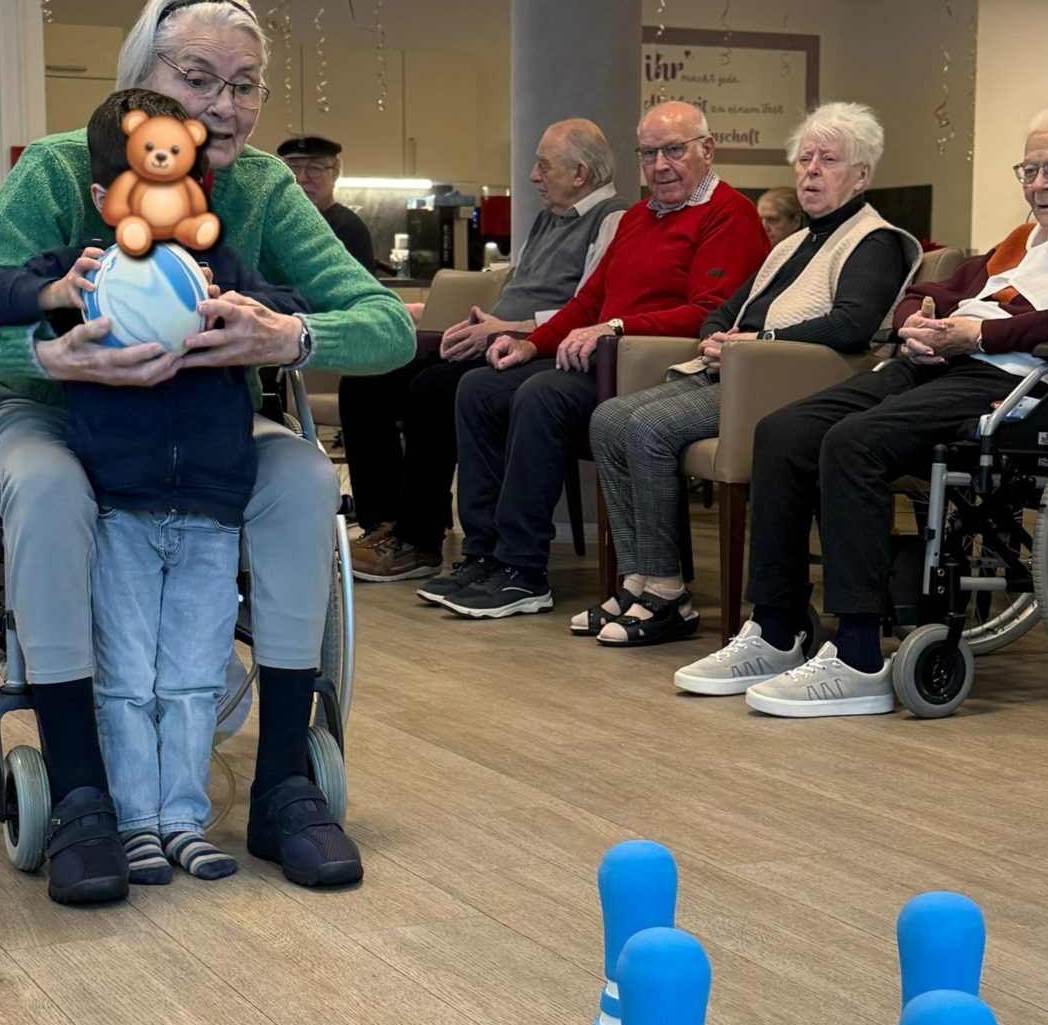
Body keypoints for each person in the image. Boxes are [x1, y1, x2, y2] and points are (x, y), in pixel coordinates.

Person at [0, 0, 414, 906]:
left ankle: (283, 783)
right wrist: (51, 352)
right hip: (59, 407)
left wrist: (288, 336)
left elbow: (386, 324)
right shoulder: (61, 169)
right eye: (198, 79)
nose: (224, 107)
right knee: (48, 487)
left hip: (203, 419)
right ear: (140, 79)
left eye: (245, 85)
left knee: (306, 481)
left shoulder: (262, 188)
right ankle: (80, 791)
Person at [678, 100, 1048, 715]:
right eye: (1030, 171)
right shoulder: (1025, 240)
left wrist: (978, 335)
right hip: (944, 361)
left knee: (853, 443)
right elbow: (932, 289)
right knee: (782, 431)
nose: (1038, 186)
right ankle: (776, 629)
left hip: (1022, 381)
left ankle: (858, 657)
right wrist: (918, 319)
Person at [0, 88, 307, 887]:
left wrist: (245, 311)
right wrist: (51, 294)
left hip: (212, 508)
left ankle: (182, 821)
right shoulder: (84, 271)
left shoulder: (219, 270)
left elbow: (294, 303)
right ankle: (134, 823)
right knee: (124, 680)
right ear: (103, 196)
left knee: (193, 676)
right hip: (119, 506)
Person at [582, 103, 920, 649]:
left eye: (828, 160)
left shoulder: (873, 241)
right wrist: (718, 336)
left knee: (646, 428)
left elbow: (852, 325)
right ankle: (637, 578)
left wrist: (756, 343)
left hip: (787, 386)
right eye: (804, 159)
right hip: (737, 372)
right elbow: (724, 308)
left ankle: (667, 594)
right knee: (608, 420)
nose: (811, 171)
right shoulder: (793, 243)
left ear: (861, 174)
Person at [422, 101, 770, 620]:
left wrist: (617, 327)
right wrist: (532, 343)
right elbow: (589, 301)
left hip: (654, 366)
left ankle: (522, 569)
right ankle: (483, 553)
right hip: (603, 355)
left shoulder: (729, 215)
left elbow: (708, 312)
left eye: (674, 151)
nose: (660, 166)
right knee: (479, 386)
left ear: (707, 150)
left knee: (540, 395)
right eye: (648, 154)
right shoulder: (639, 217)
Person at [341, 117, 621, 582]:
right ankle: (384, 525)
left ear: (580, 173)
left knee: (433, 389)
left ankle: (419, 539)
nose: (532, 176)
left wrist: (506, 330)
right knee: (366, 383)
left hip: (538, 351)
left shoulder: (613, 220)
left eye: (543, 165)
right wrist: (477, 327)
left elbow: (590, 310)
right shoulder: (547, 218)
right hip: (498, 339)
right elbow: (519, 290)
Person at [275, 133, 377, 272]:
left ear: (335, 174)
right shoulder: (278, 224)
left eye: (314, 168)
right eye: (293, 168)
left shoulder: (349, 229)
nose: (302, 178)